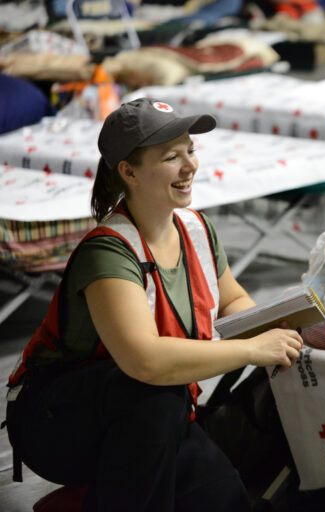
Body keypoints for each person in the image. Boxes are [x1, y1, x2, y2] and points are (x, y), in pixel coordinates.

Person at [4, 98, 304, 512]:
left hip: (152, 408)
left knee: (223, 497)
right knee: (156, 394)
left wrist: (278, 326)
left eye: (191, 151)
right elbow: (143, 360)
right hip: (55, 422)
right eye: (171, 157)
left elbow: (232, 300)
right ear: (128, 172)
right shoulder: (108, 252)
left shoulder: (197, 229)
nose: (190, 166)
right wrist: (254, 349)